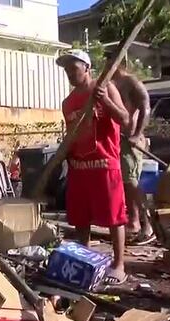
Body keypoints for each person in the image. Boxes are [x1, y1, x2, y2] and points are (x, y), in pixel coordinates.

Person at [56, 50, 131, 285]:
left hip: (104, 164)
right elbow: (72, 133)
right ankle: (85, 261)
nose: (69, 73)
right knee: (81, 219)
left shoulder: (105, 87)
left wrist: (105, 101)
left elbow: (124, 119)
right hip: (79, 167)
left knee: (114, 217)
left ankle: (119, 265)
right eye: (66, 69)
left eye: (74, 68)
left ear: (87, 68)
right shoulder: (67, 103)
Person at [111, 57, 154, 244]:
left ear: (119, 63)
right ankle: (134, 222)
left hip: (131, 141)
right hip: (118, 141)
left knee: (132, 183)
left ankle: (148, 223)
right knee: (125, 183)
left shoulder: (131, 82)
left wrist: (137, 134)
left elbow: (146, 107)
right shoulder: (111, 84)